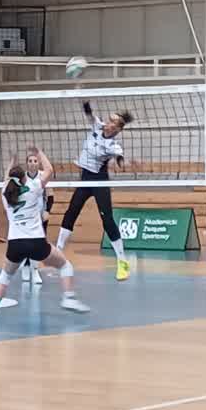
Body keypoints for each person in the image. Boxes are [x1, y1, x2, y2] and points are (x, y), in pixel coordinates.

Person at [0, 148, 85, 317]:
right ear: (24, 178)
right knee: (65, 265)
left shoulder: (5, 193)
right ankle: (68, 298)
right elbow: (49, 170)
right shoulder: (33, 187)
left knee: (5, 275)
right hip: (36, 242)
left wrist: (12, 161)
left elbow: (6, 179)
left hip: (15, 243)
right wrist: (40, 152)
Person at [56, 106, 134, 281]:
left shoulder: (113, 146)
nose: (109, 124)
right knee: (71, 212)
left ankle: (122, 261)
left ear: (117, 130)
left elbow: (119, 158)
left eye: (114, 124)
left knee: (107, 219)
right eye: (109, 120)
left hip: (100, 181)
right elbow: (88, 112)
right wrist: (84, 99)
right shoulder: (96, 126)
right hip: (85, 180)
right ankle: (58, 253)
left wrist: (123, 164)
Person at [17, 151, 56, 286]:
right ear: (26, 163)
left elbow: (50, 196)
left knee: (38, 243)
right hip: (26, 215)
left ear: (38, 163)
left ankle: (35, 270)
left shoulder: (43, 176)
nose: (33, 163)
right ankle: (26, 266)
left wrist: (47, 211)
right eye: (30, 161)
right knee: (25, 242)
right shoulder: (22, 178)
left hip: (40, 215)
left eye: (35, 161)